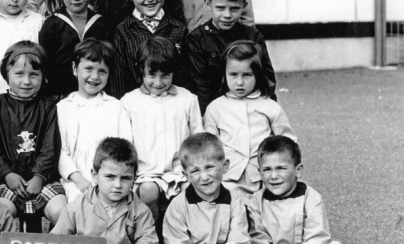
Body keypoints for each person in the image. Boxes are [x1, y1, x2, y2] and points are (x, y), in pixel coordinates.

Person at [52, 137, 175, 244]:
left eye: (125, 178)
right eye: (110, 177)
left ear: (134, 178)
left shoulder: (140, 210)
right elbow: (54, 242)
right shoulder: (77, 207)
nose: (118, 185)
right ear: (94, 175)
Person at [164, 133, 272, 244]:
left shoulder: (235, 203)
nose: (204, 177)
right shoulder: (178, 205)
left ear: (225, 165)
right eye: (195, 171)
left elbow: (239, 241)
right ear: (185, 175)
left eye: (209, 167)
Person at [247, 136, 347, 244]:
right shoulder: (256, 201)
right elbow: (260, 240)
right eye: (267, 169)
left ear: (298, 170)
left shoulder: (311, 197)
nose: (273, 176)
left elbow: (317, 239)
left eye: (281, 168)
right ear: (259, 172)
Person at [0, 41, 67, 225]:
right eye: (19, 74)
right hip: (7, 181)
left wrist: (39, 176)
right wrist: (7, 174)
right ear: (7, 74)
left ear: (43, 76)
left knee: (63, 213)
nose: (26, 81)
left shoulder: (48, 107)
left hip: (43, 181)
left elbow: (50, 147)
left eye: (34, 74)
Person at [121, 37, 202, 224]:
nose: (158, 82)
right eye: (152, 75)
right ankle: (151, 236)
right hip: (145, 171)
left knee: (191, 193)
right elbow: (125, 143)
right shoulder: (129, 102)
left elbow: (197, 139)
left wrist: (191, 168)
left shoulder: (187, 99)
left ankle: (179, 238)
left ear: (174, 72)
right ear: (141, 70)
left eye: (165, 75)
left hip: (180, 170)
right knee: (148, 191)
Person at [204, 40, 296, 202]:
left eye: (247, 75)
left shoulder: (269, 107)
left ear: (258, 75)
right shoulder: (215, 108)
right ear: (224, 74)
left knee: (270, 211)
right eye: (233, 74)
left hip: (264, 176)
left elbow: (287, 143)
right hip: (229, 177)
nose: (239, 82)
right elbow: (208, 148)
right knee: (232, 212)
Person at [187, 0, 276, 114]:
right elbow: (200, 86)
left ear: (244, 6)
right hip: (214, 111)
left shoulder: (253, 37)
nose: (227, 15)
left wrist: (269, 112)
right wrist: (207, 118)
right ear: (208, 4)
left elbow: (267, 80)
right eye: (220, 8)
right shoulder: (197, 39)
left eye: (234, 9)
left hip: (250, 109)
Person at [56, 39, 132, 202]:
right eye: (88, 69)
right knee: (81, 211)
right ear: (75, 69)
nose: (95, 77)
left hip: (112, 181)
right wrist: (78, 180)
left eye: (102, 71)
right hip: (75, 183)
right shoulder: (63, 108)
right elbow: (60, 151)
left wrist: (109, 180)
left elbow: (125, 146)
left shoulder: (116, 107)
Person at [111, 0, 187, 99]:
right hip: (137, 109)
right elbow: (119, 80)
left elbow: (185, 77)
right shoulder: (122, 31)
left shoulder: (179, 29)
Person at [39, 0, 110, 97]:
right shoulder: (52, 25)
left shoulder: (102, 24)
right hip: (60, 97)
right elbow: (45, 66)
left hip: (95, 97)